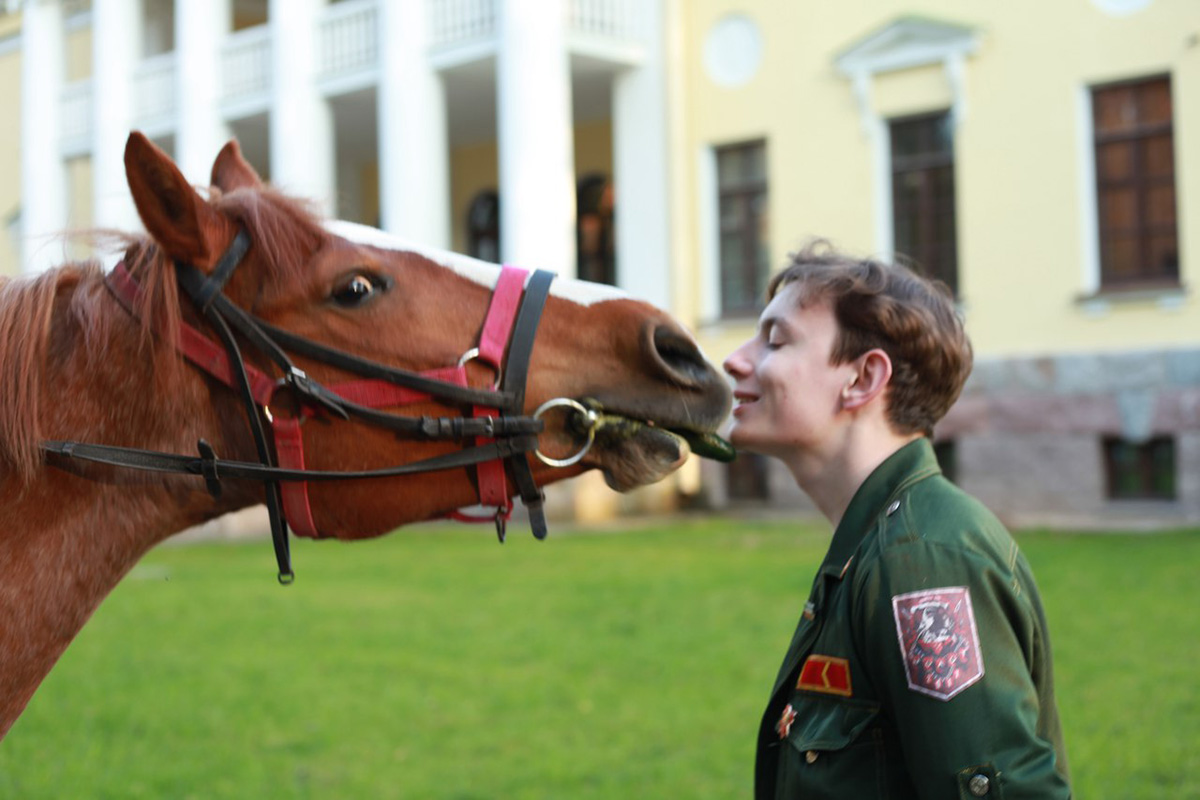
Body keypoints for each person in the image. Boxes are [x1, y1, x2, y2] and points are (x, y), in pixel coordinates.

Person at [722, 241, 1071, 799]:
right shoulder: (877, 540)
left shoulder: (920, 557)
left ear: (862, 379)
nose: (735, 359)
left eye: (776, 340)